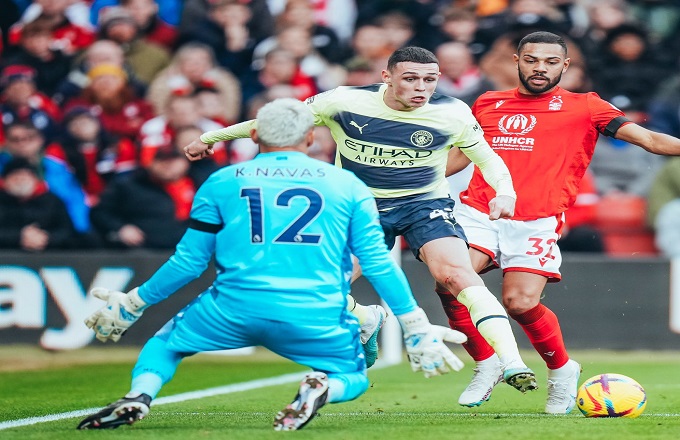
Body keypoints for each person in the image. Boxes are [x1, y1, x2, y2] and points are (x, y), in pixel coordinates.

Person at [77, 98, 467, 431]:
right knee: (352, 377)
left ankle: (139, 395)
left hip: (232, 305)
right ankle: (322, 387)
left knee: (164, 344)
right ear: (311, 137)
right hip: (315, 309)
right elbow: (377, 261)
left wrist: (135, 302)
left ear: (253, 135)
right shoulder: (347, 185)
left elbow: (189, 262)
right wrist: (414, 323)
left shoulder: (221, 181)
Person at [183, 46, 537, 391]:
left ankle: (512, 363)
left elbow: (488, 159)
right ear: (387, 77)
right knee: (319, 290)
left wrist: (506, 193)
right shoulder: (344, 101)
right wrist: (211, 137)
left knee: (457, 274)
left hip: (423, 205)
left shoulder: (452, 113)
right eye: (410, 79)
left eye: (429, 80)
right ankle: (367, 318)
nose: (421, 88)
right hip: (360, 207)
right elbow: (278, 123)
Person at [441, 31, 680, 414]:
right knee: (450, 282)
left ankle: (562, 370)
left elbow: (650, 140)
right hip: (479, 210)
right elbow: (461, 156)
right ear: (517, 61)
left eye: (551, 62)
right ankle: (487, 363)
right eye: (532, 59)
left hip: (536, 219)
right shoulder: (487, 102)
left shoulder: (587, 106)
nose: (541, 68)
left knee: (519, 303)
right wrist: (407, 179)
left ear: (565, 66)